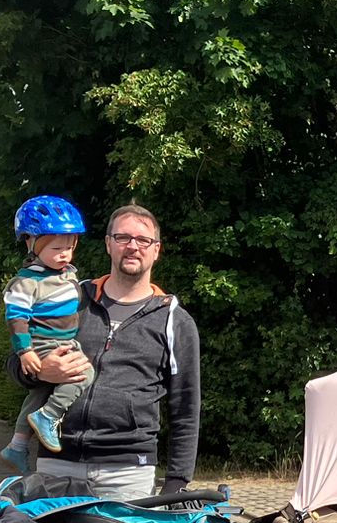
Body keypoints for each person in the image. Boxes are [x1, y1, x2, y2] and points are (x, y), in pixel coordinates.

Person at [11, 203, 200, 500]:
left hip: (128, 473)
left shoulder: (173, 320)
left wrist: (177, 482)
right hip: (56, 464)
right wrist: (41, 372)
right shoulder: (72, 297)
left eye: (143, 240)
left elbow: (186, 407)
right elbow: (15, 362)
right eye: (123, 237)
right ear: (108, 244)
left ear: (156, 250)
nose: (132, 246)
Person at [0, 195, 91, 467]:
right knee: (84, 373)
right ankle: (49, 415)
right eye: (56, 248)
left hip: (61, 341)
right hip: (43, 342)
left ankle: (17, 446)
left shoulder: (66, 274)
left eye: (69, 247)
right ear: (31, 243)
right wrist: (25, 351)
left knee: (39, 392)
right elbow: (16, 317)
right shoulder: (27, 282)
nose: (64, 254)